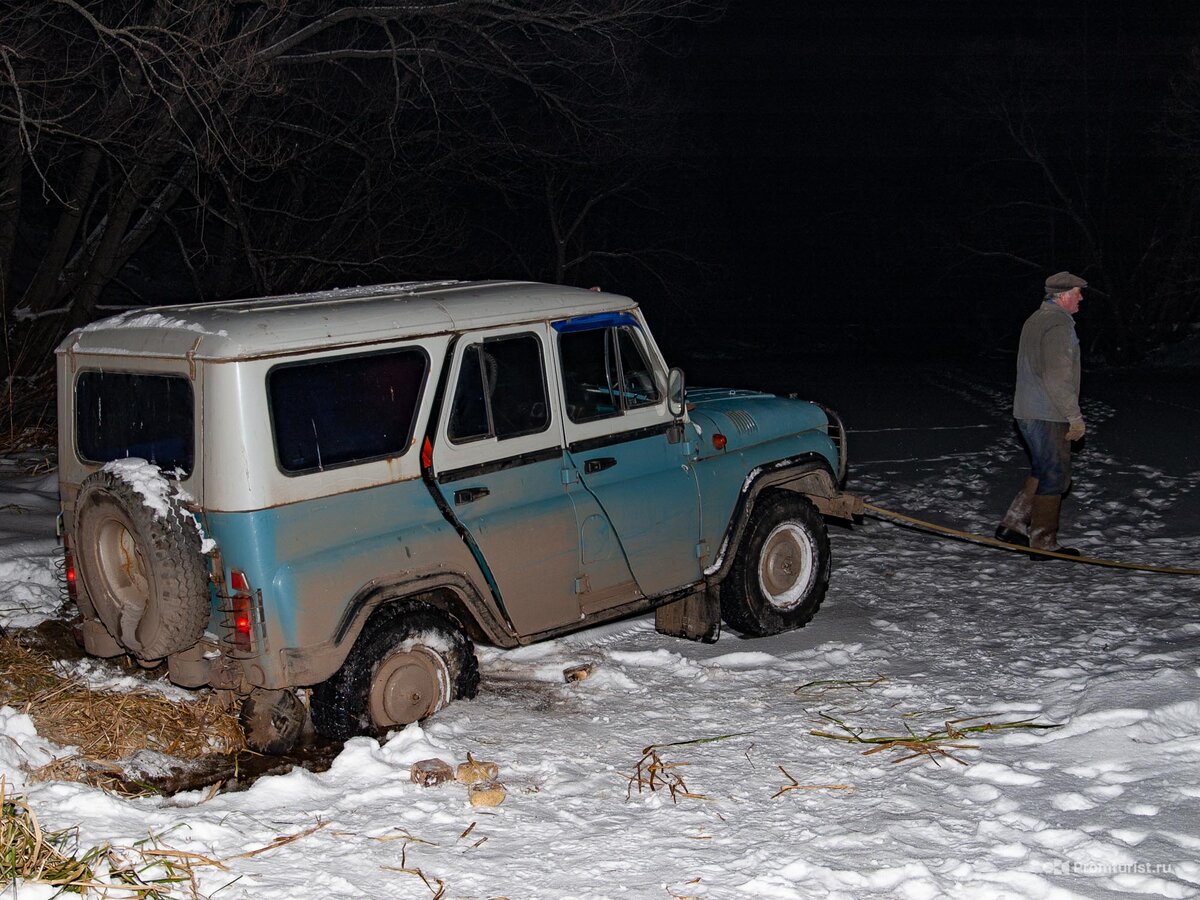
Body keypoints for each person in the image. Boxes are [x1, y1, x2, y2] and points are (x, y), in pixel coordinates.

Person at [994, 271, 1087, 557]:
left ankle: (1013, 525)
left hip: (1028, 410)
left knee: (1044, 468)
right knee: (1056, 474)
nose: (1081, 297)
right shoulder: (1058, 324)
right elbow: (1058, 377)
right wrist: (1074, 416)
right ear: (1062, 295)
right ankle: (1044, 543)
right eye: (1077, 292)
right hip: (1048, 411)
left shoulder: (1036, 319)